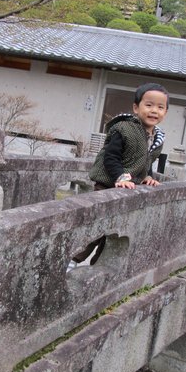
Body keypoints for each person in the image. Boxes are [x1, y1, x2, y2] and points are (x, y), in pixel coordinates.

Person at [69, 82, 168, 268]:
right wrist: (120, 176)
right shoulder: (124, 128)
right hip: (107, 184)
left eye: (160, 107)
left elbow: (147, 160)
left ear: (165, 112)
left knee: (114, 231)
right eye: (149, 105)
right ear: (136, 108)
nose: (154, 110)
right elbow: (111, 157)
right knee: (96, 227)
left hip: (128, 189)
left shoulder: (157, 137)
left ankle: (97, 267)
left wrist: (148, 176)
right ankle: (73, 261)